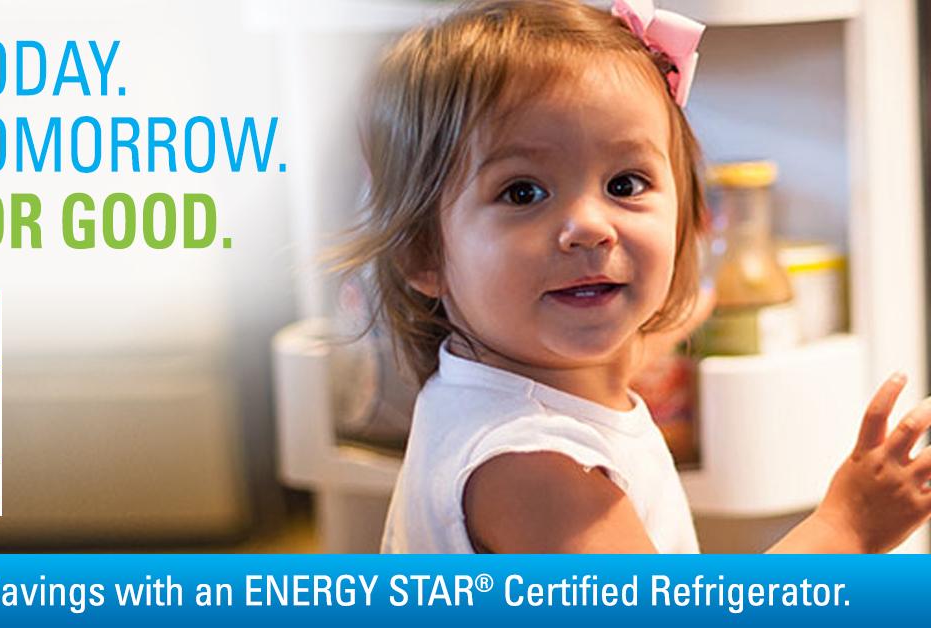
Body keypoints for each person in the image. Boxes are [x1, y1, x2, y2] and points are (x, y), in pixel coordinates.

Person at [331, 0, 931, 553]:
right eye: (522, 192)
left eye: (625, 184)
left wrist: (657, 335)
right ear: (422, 253)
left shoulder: (498, 385)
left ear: (688, 216)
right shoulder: (535, 472)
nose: (589, 227)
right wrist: (846, 524)